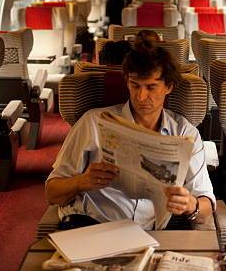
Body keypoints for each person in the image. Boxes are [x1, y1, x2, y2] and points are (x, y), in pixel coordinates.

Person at [46, 42, 214, 230]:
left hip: (151, 234)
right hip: (92, 225)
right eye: (135, 85)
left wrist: (190, 204)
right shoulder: (93, 121)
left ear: (169, 87)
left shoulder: (185, 133)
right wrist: (82, 181)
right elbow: (52, 192)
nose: (141, 97)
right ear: (127, 82)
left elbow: (206, 207)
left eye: (151, 87)